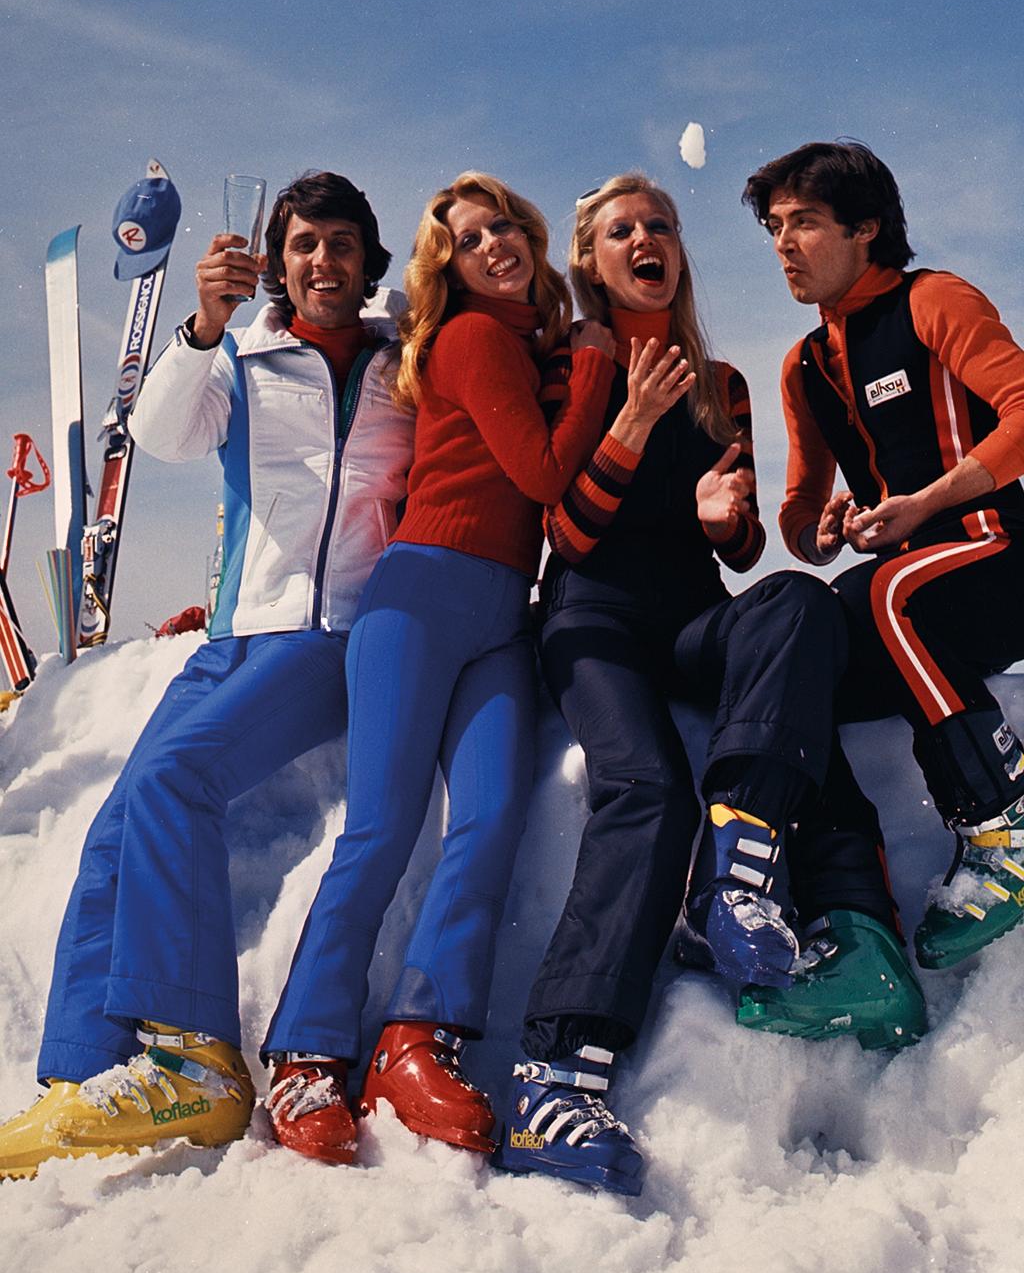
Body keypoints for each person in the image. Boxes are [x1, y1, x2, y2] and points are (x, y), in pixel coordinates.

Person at [494, 174, 921, 1199]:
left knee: (795, 604)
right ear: (590, 262)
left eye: (661, 226)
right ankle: (554, 1071)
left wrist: (724, 513)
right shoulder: (578, 362)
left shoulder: (719, 382)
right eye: (621, 230)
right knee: (643, 789)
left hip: (685, 612)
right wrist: (629, 428)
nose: (648, 239)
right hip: (591, 613)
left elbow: (733, 557)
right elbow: (565, 532)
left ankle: (738, 871)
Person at [0, 171, 414, 1180]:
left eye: (344, 244)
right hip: (236, 634)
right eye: (305, 244)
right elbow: (163, 434)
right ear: (280, 258)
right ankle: (85, 1074)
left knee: (177, 782)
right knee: (116, 824)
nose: (324, 261)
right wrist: (199, 326)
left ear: (369, 263)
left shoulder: (404, 362)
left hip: (332, 636)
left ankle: (193, 1056)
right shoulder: (244, 350)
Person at [259, 171, 638, 1165]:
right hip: (419, 599)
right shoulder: (471, 337)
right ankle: (304, 1053)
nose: (495, 243)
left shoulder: (527, 346)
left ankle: (415, 1040)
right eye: (470, 238)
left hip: (500, 617)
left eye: (505, 223)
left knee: (489, 819)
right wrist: (599, 366)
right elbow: (544, 473)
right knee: (382, 827)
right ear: (450, 267)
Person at [739, 140, 1024, 1012]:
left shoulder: (933, 299)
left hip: (997, 554)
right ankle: (858, 935)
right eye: (775, 227)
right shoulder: (802, 364)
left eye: (806, 224)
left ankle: (1001, 831)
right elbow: (800, 515)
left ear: (866, 230)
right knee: (794, 669)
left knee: (878, 590)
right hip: (906, 586)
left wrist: (926, 498)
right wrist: (814, 529)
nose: (784, 244)